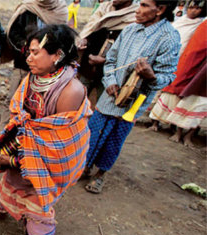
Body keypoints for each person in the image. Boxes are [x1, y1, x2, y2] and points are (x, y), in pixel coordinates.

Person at [0, 24, 92, 235]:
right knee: (10, 182)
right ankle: (3, 211)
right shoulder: (33, 78)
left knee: (36, 200)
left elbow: (57, 142)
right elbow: (21, 117)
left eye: (35, 52)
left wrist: (14, 157)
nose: (28, 58)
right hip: (25, 147)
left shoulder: (70, 90)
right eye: (28, 52)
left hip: (47, 160)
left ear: (57, 55)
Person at [84, 0, 180, 194]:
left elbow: (168, 76)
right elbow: (110, 60)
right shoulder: (130, 30)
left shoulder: (169, 38)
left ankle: (100, 175)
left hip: (134, 102)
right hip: (110, 95)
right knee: (93, 132)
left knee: (114, 138)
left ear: (160, 10)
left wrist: (151, 76)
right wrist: (110, 81)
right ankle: (85, 166)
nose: (138, 10)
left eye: (144, 5)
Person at [0, 0, 68, 133]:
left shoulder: (60, 11)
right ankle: (2, 132)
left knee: (36, 103)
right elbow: (13, 33)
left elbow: (63, 38)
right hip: (24, 64)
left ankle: (24, 134)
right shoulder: (27, 8)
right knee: (13, 98)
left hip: (46, 69)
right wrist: (27, 48)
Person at [149, 20, 207, 147]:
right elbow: (194, 52)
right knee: (182, 93)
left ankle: (189, 134)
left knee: (201, 104)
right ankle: (176, 130)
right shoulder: (204, 27)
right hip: (194, 66)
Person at [76, 0, 138, 99]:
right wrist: (84, 39)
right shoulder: (103, 8)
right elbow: (90, 29)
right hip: (87, 67)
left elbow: (132, 51)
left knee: (101, 104)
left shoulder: (135, 17)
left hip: (110, 75)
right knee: (77, 99)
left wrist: (106, 61)